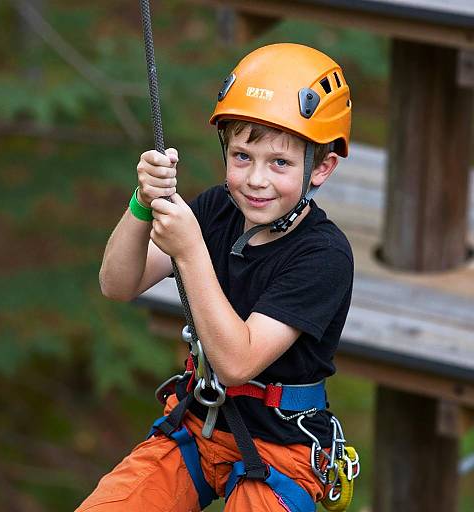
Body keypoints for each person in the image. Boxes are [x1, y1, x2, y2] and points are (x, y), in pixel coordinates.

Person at [76, 43, 357, 512]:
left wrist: (189, 250)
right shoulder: (216, 209)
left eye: (280, 162)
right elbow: (117, 283)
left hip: (282, 446)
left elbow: (237, 362)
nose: (256, 179)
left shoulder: (323, 255)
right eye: (242, 156)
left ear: (322, 168)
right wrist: (142, 204)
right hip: (199, 424)